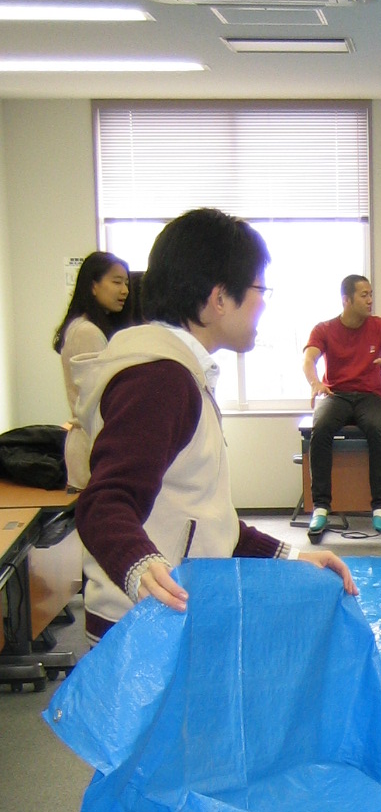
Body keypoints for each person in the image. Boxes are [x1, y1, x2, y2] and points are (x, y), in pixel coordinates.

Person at [74, 207, 356, 645]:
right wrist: (140, 568)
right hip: (142, 633)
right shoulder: (160, 380)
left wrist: (290, 556)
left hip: (163, 620)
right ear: (219, 299)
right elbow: (103, 502)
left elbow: (203, 520)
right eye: (260, 289)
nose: (263, 302)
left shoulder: (181, 374)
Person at [303, 275, 381, 540]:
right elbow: (309, 359)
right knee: (320, 427)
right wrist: (315, 383)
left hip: (371, 396)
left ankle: (379, 505)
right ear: (346, 300)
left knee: (376, 428)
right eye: (364, 295)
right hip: (336, 394)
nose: (370, 300)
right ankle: (321, 506)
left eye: (371, 294)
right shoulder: (324, 329)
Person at [53, 251, 129, 489]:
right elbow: (100, 397)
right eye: (116, 282)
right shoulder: (87, 332)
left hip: (89, 442)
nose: (125, 290)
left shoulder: (82, 327)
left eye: (126, 283)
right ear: (93, 285)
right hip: (90, 445)